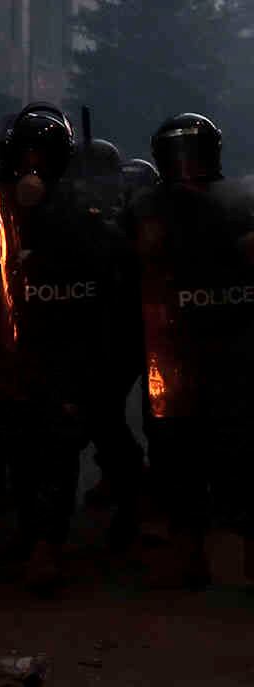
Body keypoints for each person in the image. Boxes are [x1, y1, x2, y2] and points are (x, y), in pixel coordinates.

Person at [0, 103, 142, 586]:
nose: (33, 165)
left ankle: (48, 545)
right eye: (27, 154)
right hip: (20, 347)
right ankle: (33, 531)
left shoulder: (84, 211)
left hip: (73, 349)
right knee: (20, 447)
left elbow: (110, 279)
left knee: (58, 445)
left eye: (43, 155)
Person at [129, 112, 254, 587]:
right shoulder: (145, 206)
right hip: (175, 351)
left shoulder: (240, 199)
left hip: (232, 347)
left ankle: (236, 551)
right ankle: (190, 550)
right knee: (177, 454)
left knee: (238, 455)